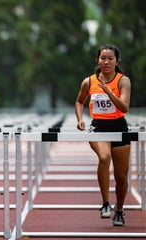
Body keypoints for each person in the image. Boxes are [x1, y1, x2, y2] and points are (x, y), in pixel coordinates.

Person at [75, 44, 131, 226]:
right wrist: (80, 118)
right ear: (97, 60)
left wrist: (108, 90)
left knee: (121, 178)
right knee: (104, 158)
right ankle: (106, 203)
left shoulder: (123, 81)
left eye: (110, 58)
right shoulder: (89, 82)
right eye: (103, 58)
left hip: (119, 127)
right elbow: (78, 101)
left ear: (117, 61)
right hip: (98, 127)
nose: (106, 62)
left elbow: (124, 107)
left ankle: (120, 210)